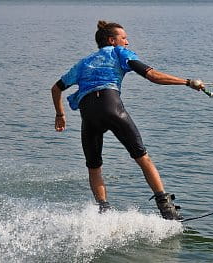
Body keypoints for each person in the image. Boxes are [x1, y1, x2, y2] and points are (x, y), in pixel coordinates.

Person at [51, 20, 204, 220]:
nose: (128, 42)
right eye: (124, 38)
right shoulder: (119, 53)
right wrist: (187, 82)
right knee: (142, 158)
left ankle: (104, 211)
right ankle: (167, 210)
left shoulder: (83, 62)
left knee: (94, 166)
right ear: (112, 40)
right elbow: (153, 76)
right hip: (111, 106)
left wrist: (60, 114)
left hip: (88, 114)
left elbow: (56, 88)